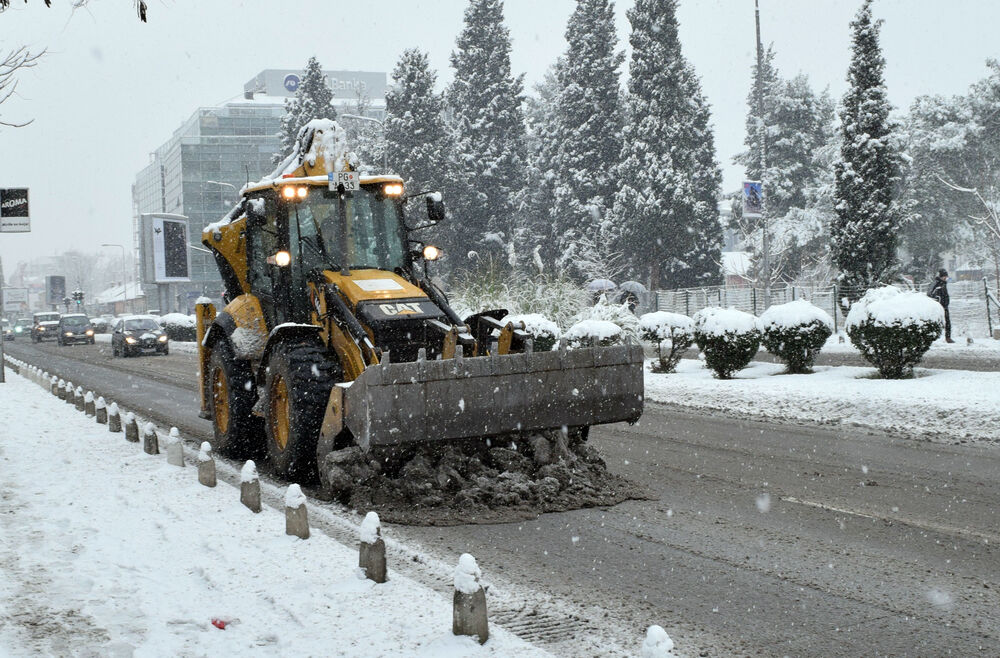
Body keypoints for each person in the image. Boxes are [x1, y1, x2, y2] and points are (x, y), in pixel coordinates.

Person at [928, 268, 954, 343]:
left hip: (944, 306)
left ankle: (948, 337)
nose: (946, 278)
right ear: (941, 276)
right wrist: (938, 300)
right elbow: (930, 294)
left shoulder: (943, 283)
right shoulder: (936, 283)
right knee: (937, 322)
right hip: (939, 306)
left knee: (947, 322)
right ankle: (931, 337)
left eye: (946, 276)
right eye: (944, 276)